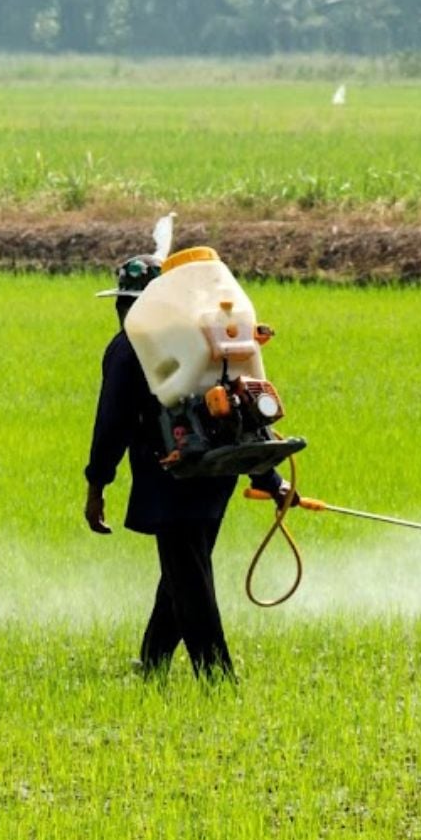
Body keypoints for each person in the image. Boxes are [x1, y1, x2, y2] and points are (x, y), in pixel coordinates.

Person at [84, 253, 288, 681]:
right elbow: (244, 413)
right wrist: (268, 478)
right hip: (219, 473)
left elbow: (112, 422)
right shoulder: (206, 339)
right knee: (183, 570)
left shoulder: (129, 347)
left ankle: (217, 678)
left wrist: (97, 484)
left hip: (171, 474)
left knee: (190, 579)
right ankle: (152, 662)